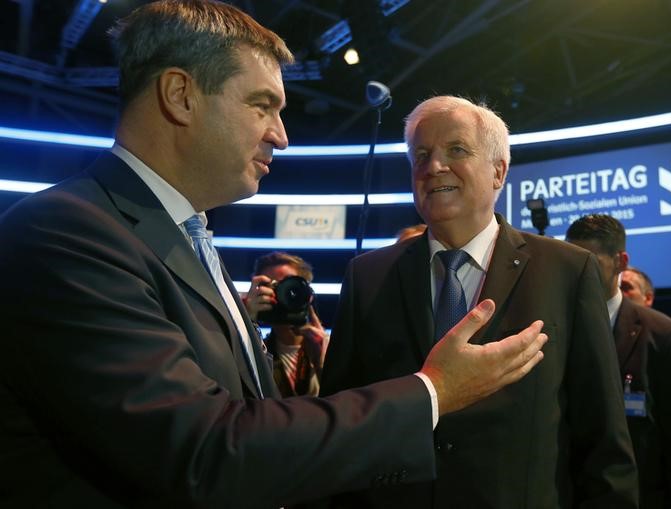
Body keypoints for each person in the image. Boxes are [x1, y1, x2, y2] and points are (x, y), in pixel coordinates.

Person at [0, 3, 549, 508]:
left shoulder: (183, 235)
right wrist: (434, 391)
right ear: (180, 95)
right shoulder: (69, 234)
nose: (282, 136)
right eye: (262, 105)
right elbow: (208, 453)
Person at [320, 95, 638, 508]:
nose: (434, 166)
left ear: (498, 171)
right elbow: (342, 424)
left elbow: (604, 441)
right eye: (421, 154)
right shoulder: (367, 276)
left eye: (456, 150)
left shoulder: (567, 271)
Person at [566, 213, 671, 509]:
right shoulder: (554, 328)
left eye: (590, 264)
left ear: (621, 261)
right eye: (571, 265)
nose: (578, 274)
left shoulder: (665, 336)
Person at [244, 251, 327, 397]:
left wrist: (324, 363)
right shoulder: (254, 349)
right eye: (273, 287)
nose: (283, 294)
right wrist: (246, 322)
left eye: (290, 287)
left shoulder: (332, 347)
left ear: (308, 294)